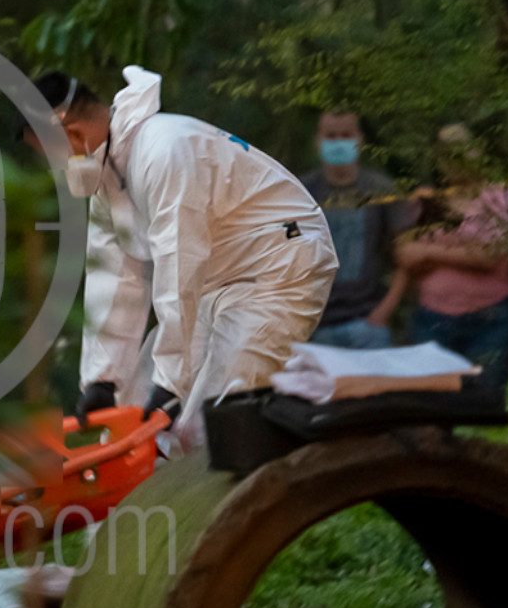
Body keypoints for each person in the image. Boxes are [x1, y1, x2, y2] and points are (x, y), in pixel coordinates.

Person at [23, 66, 339, 451]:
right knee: (132, 412)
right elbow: (115, 279)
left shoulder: (164, 150)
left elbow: (179, 263)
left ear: (71, 133)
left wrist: (171, 383)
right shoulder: (110, 176)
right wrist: (102, 380)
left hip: (279, 267)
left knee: (208, 424)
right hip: (214, 281)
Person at [397, 124, 508, 396]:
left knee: (485, 405)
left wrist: (430, 252)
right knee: (430, 407)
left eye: (462, 148)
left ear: (478, 150)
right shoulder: (426, 198)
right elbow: (406, 255)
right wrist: (465, 249)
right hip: (432, 321)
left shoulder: (502, 195)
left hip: (489, 322)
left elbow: (490, 255)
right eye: (447, 152)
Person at [300, 111, 415, 348]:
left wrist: (383, 313)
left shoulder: (381, 189)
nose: (338, 142)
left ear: (360, 139)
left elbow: (405, 257)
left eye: (346, 135)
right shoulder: (302, 190)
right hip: (315, 326)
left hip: (368, 323)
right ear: (318, 141)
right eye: (331, 136)